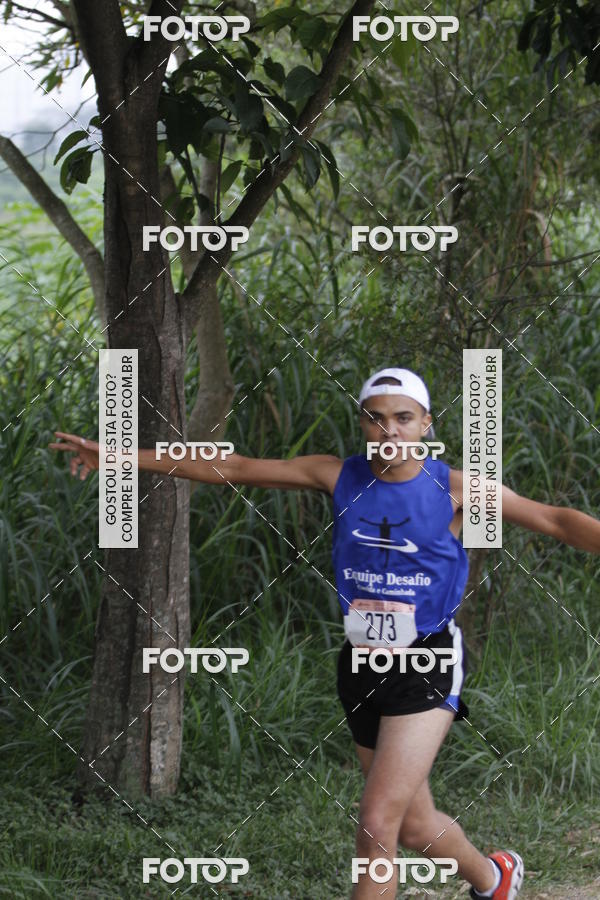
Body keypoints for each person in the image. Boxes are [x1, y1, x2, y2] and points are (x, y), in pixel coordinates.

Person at [48, 366, 600, 900]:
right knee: (413, 825)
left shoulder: (454, 489)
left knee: (376, 822)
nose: (390, 430)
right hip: (359, 663)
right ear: (362, 422)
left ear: (427, 424)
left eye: (404, 418)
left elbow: (554, 519)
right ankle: (493, 879)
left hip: (426, 663)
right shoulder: (338, 475)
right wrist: (117, 456)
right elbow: (233, 466)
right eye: (376, 418)